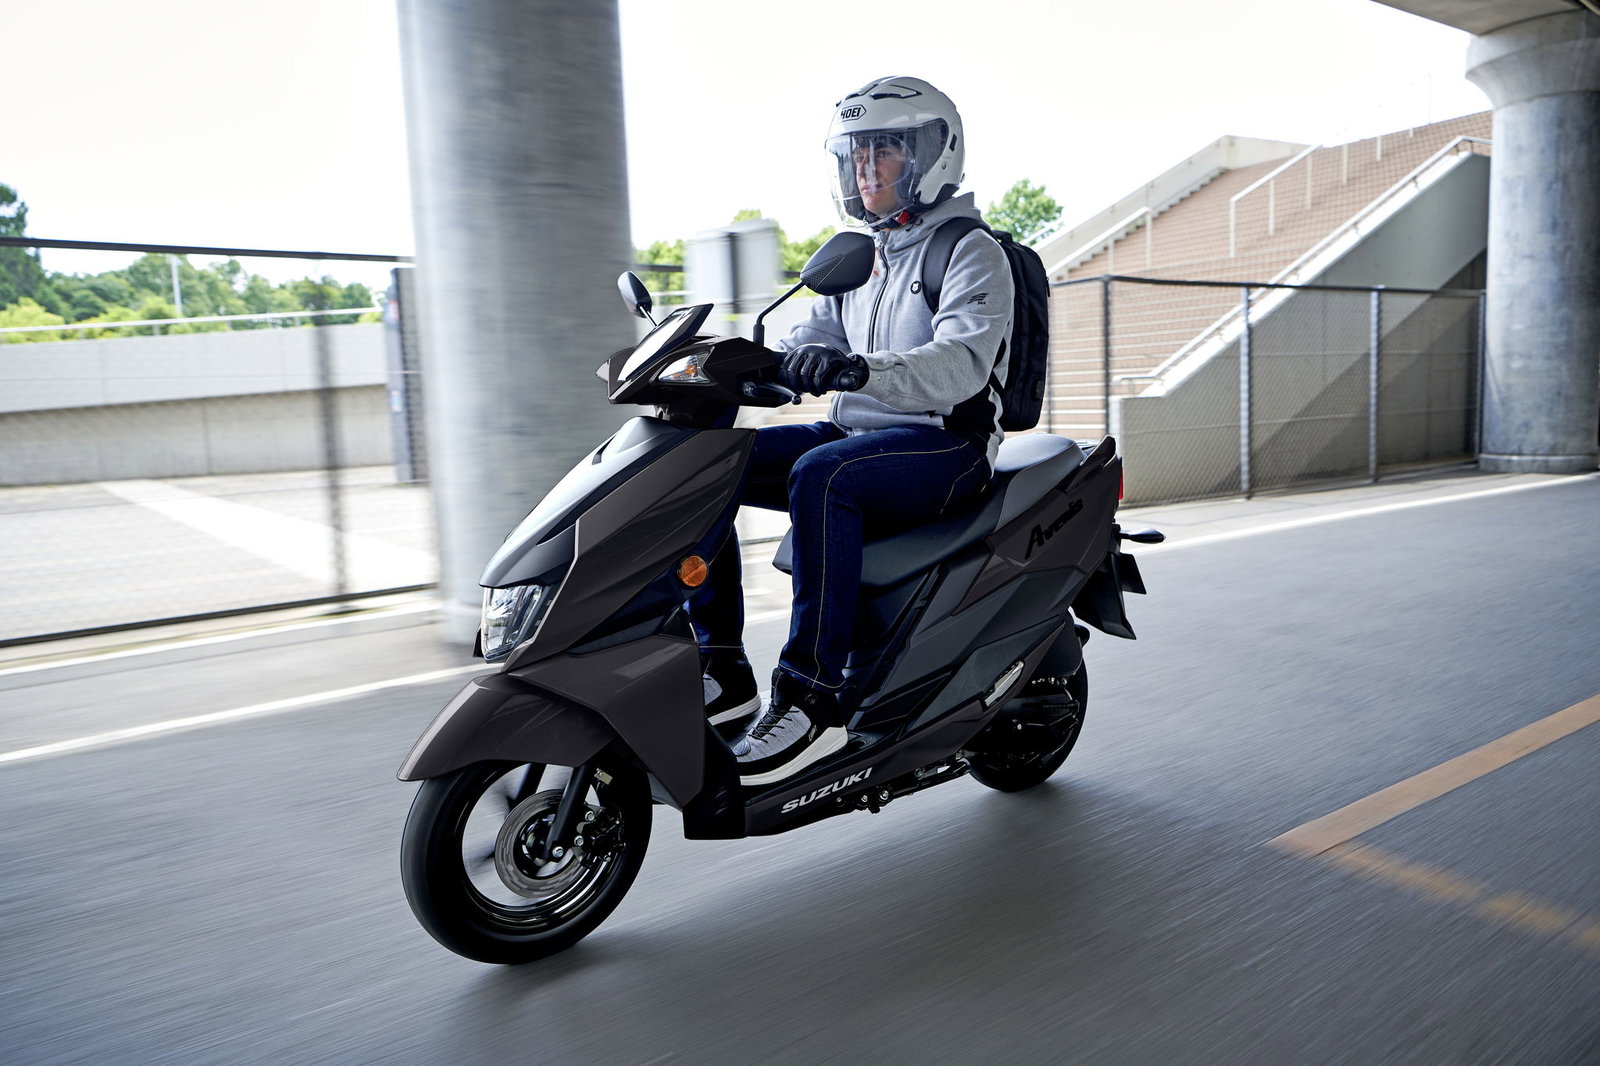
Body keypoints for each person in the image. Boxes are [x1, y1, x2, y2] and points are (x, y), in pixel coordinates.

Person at [690, 75, 1014, 786]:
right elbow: (814, 338)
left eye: (885, 150)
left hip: (946, 446)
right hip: (861, 436)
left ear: (934, 154)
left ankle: (809, 691)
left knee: (822, 475)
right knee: (705, 464)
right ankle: (718, 663)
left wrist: (855, 371)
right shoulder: (861, 255)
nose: (865, 168)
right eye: (857, 153)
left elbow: (959, 366)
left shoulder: (969, 250)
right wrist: (755, 367)